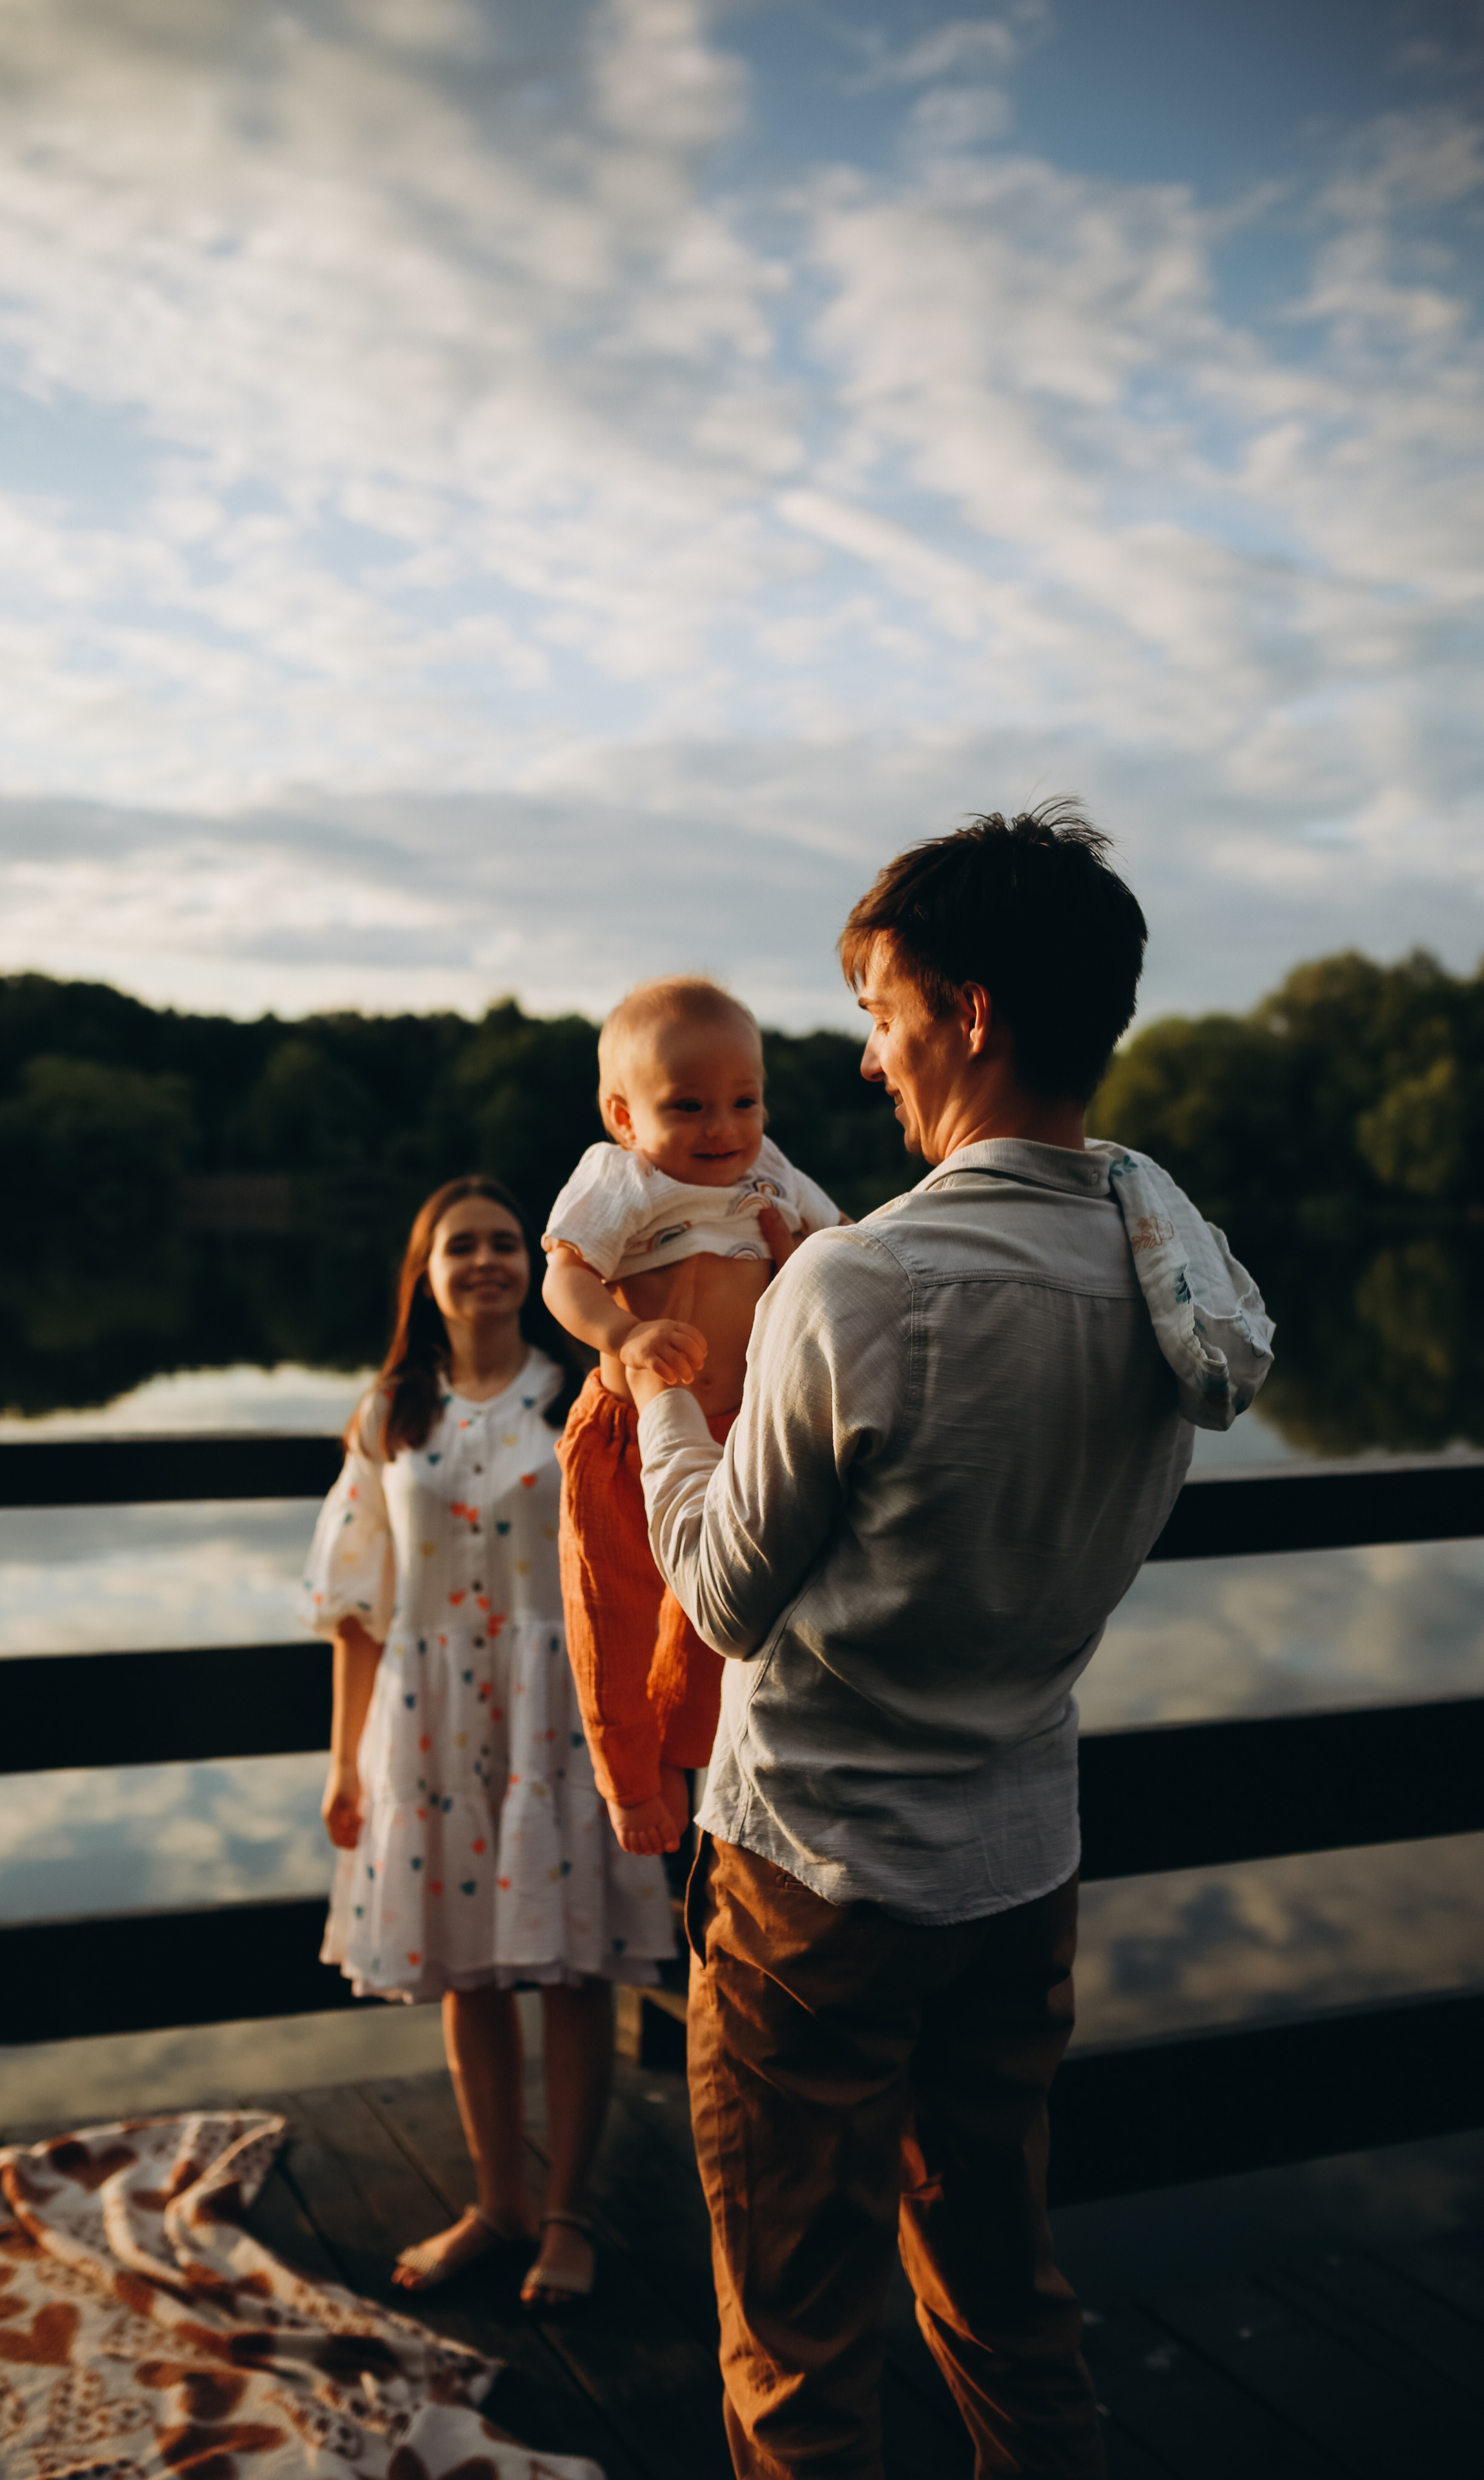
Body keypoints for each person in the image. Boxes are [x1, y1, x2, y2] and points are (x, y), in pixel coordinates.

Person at [624, 809, 1273, 2479]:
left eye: (884, 1009)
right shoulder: (1167, 1267)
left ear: (971, 1014)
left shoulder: (865, 1282)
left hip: (813, 1889)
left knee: (800, 2337)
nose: (867, 1058)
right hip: (1018, 1864)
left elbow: (718, 1597)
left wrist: (664, 1401)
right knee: (1001, 2287)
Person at [302, 1175, 674, 2310]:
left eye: (506, 1243)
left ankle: (567, 2216)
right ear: (428, 1272)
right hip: (426, 1719)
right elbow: (357, 1609)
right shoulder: (386, 1416)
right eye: (462, 1246)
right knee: (469, 1968)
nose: (487, 1262)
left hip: (557, 1712)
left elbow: (640, 1571)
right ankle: (496, 2200)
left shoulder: (579, 1396)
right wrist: (343, 1759)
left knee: (567, 1968)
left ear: (533, 1264)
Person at [539, 977, 844, 1857]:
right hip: (630, 1429)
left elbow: (841, 1240)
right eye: (689, 1106)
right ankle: (631, 1781)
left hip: (739, 1433)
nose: (723, 1127)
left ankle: (689, 1753)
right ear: (625, 1117)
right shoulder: (622, 1178)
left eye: (744, 1101)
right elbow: (565, 1274)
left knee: (722, 1614)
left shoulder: (770, 1170)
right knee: (617, 1607)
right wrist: (625, 1335)